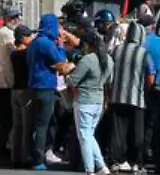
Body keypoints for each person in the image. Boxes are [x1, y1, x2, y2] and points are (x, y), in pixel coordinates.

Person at [29, 13, 74, 170]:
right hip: (45, 87)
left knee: (37, 124)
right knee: (43, 125)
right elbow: (60, 62)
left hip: (34, 86)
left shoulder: (35, 42)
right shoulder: (46, 43)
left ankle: (35, 155)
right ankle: (39, 159)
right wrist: (60, 45)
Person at [68, 30, 115, 175]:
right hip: (98, 101)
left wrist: (68, 71)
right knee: (89, 134)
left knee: (84, 135)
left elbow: (72, 80)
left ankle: (90, 169)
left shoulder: (87, 60)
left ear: (87, 45)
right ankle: (101, 166)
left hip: (84, 100)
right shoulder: (109, 59)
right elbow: (109, 81)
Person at [110, 22, 153, 172]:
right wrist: (147, 92)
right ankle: (137, 162)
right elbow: (151, 76)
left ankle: (116, 161)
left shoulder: (116, 50)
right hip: (137, 98)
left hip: (116, 96)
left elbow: (110, 71)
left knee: (118, 131)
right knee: (137, 133)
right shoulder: (144, 53)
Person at [0, 7, 23, 163]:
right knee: (5, 118)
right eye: (14, 17)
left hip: (4, 80)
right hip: (5, 81)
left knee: (3, 117)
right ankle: (0, 148)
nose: (16, 20)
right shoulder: (6, 33)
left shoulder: (4, 32)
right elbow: (16, 51)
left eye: (17, 17)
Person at [139, 15, 160, 165]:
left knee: (144, 119)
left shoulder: (140, 43)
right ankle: (156, 150)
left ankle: (144, 150)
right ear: (153, 26)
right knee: (159, 120)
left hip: (141, 86)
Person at [11, 26, 36, 168]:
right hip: (25, 91)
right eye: (28, 36)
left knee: (17, 126)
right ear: (22, 38)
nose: (31, 38)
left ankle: (16, 157)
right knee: (27, 127)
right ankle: (25, 157)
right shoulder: (26, 54)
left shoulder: (14, 53)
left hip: (15, 91)